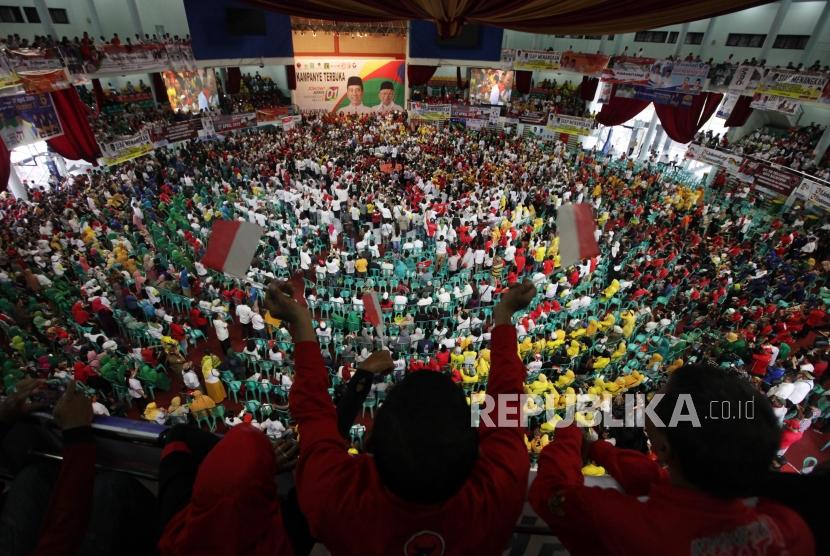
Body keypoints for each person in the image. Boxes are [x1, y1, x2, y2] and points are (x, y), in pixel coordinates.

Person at [264, 279, 534, 554]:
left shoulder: (335, 500)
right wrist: (504, 316)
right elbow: (506, 401)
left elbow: (312, 412)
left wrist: (300, 322)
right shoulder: (500, 491)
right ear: (474, 449)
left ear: (370, 443)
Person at [529, 364, 814, 555]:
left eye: (661, 397)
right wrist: (598, 449)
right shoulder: (787, 527)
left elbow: (551, 493)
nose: (653, 399)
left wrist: (568, 435)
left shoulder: (626, 523)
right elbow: (660, 483)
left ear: (664, 449)